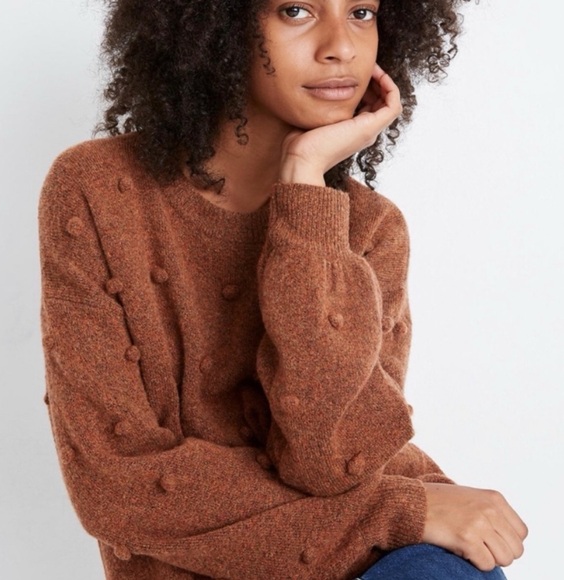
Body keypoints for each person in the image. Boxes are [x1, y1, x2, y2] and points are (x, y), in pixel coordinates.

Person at [38, 1, 528, 579]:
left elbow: (334, 462)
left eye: (362, 12)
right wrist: (402, 512)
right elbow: (117, 488)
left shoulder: (371, 228)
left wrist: (305, 187)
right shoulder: (96, 191)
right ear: (220, 26)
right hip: (374, 527)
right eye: (296, 11)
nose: (340, 46)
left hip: (391, 561)